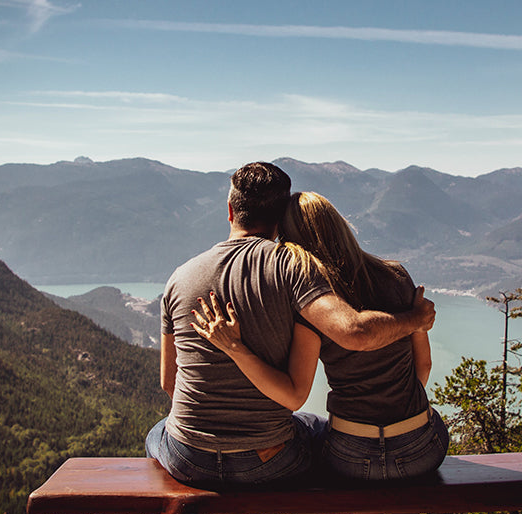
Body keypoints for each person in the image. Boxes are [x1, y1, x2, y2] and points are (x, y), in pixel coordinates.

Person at [146, 163, 436, 489]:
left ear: (230, 210)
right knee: (314, 429)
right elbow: (353, 334)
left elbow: (170, 384)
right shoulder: (293, 268)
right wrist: (416, 320)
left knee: (157, 432)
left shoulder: (178, 278)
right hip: (268, 459)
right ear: (281, 216)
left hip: (189, 458)